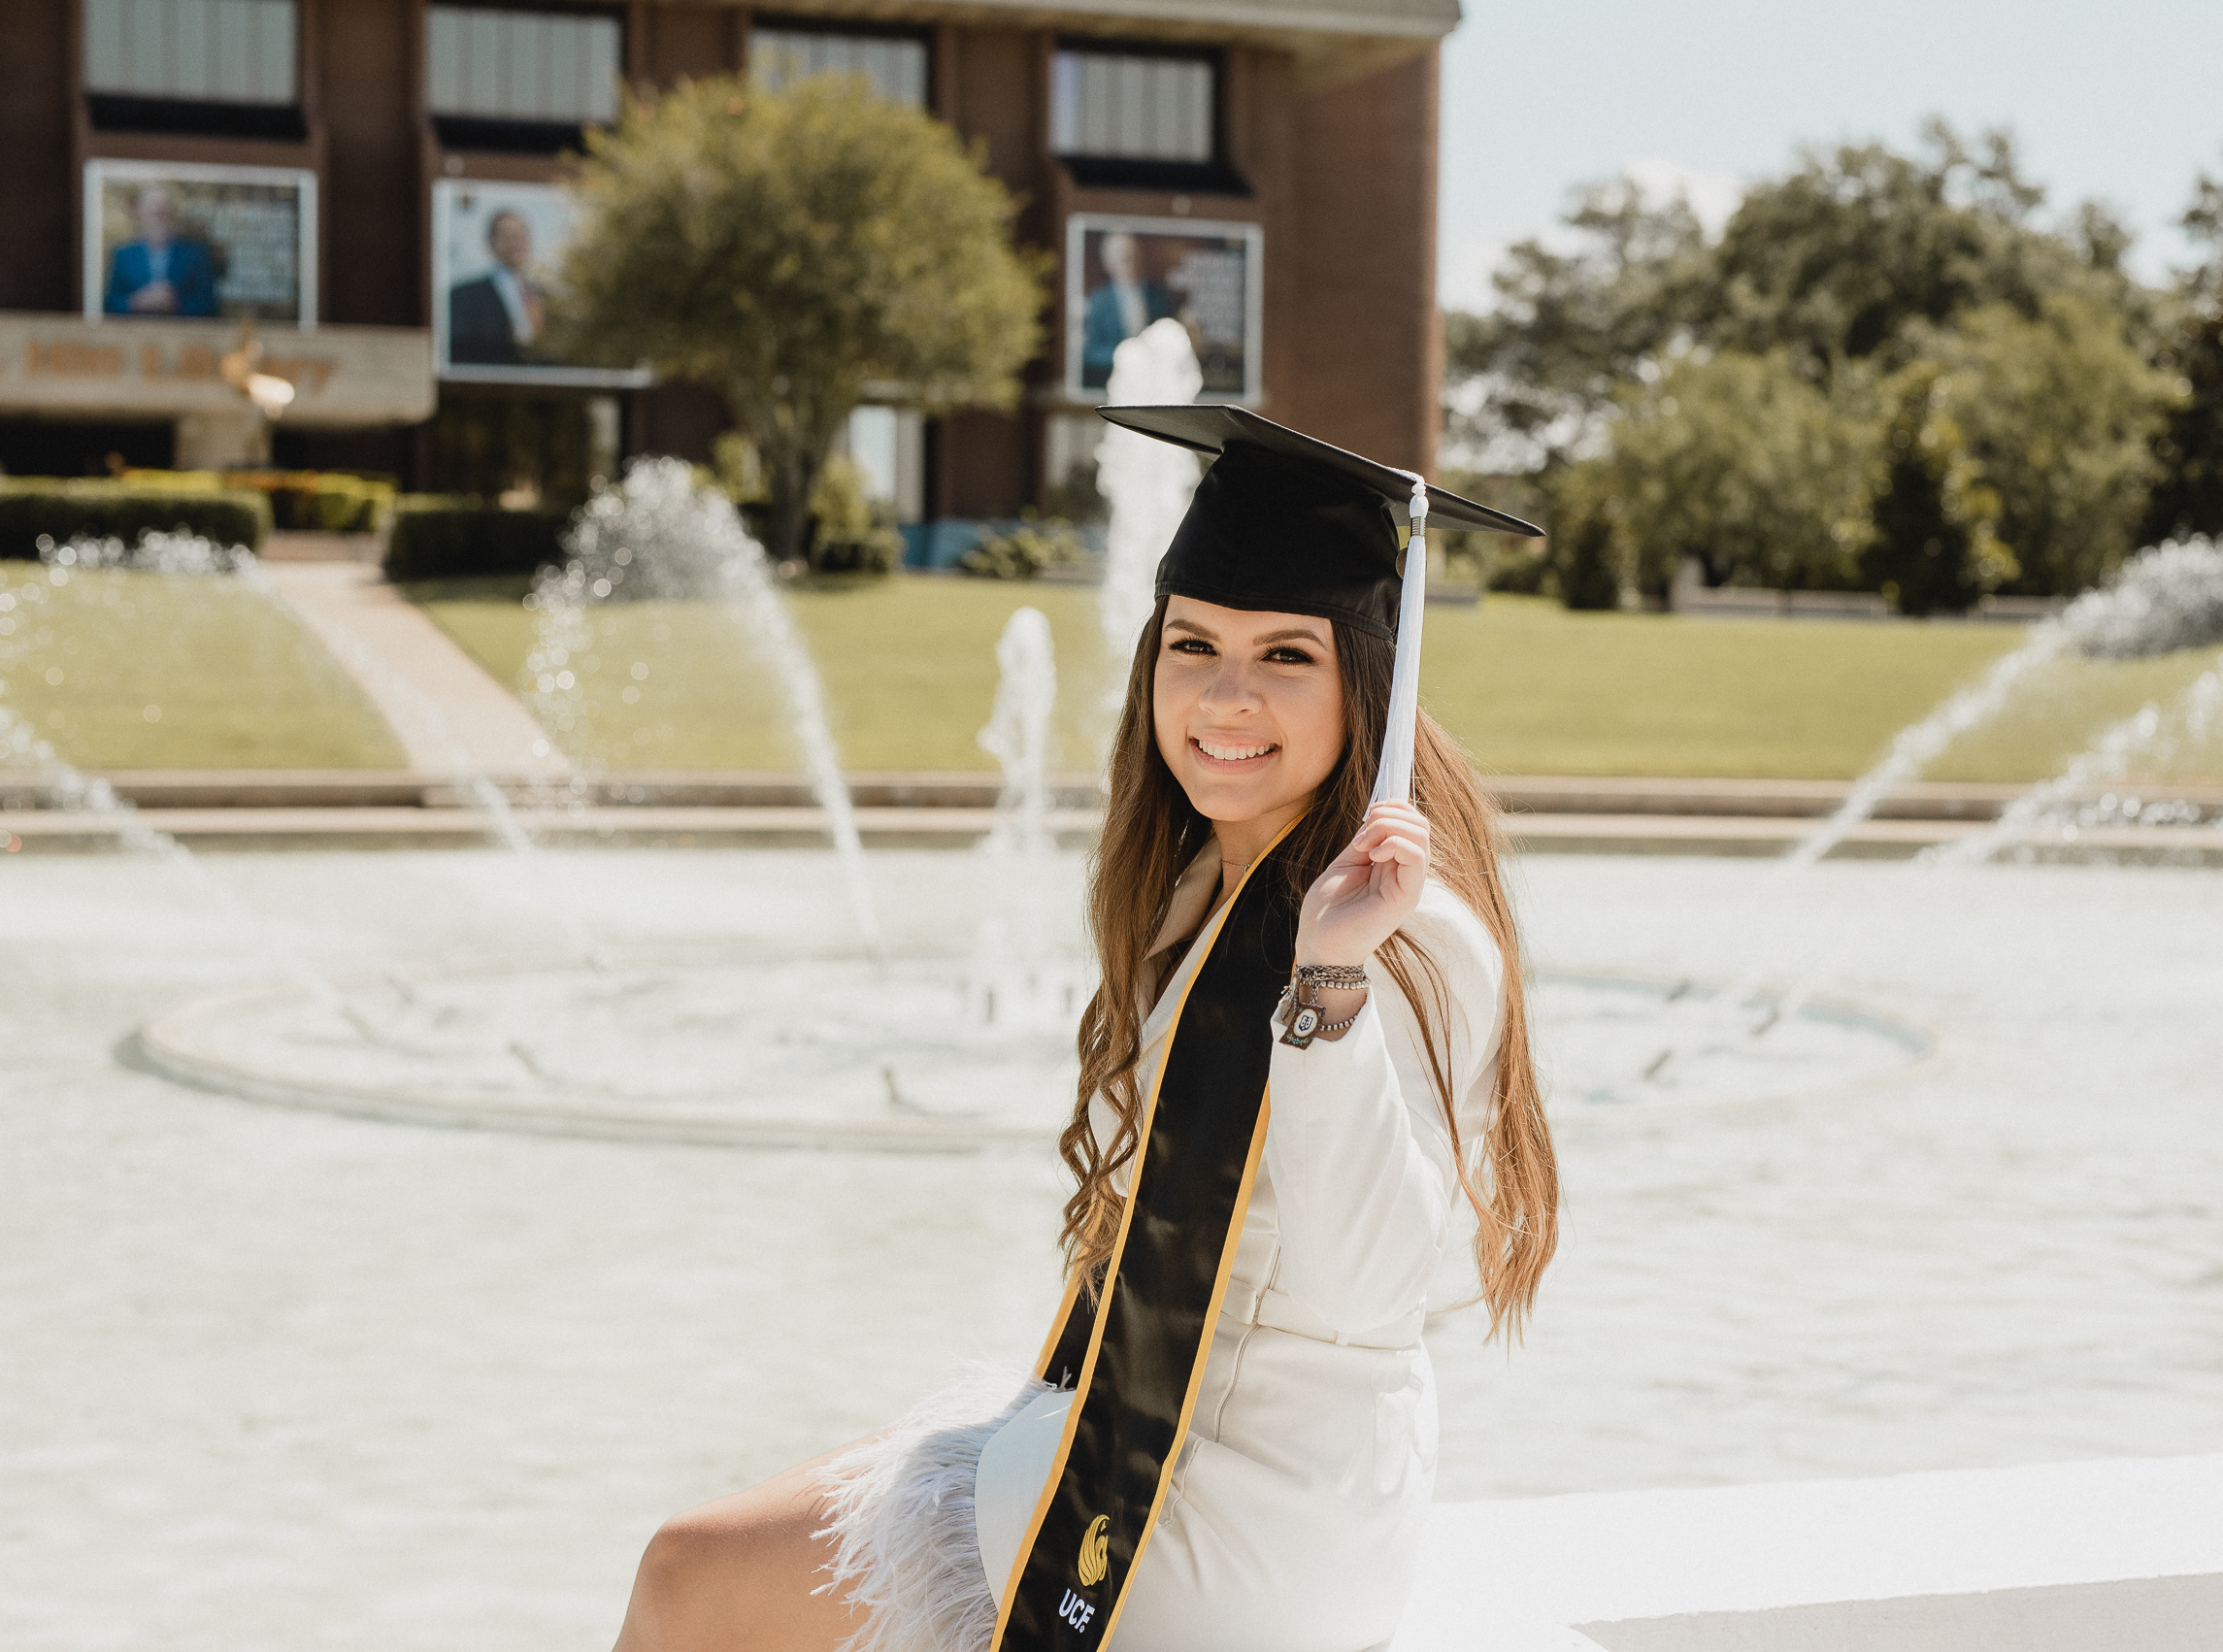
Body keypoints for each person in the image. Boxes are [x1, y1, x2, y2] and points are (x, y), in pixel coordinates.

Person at [610, 408, 1557, 1652]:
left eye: (1287, 657)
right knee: (735, 1551)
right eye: (1194, 644)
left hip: (1249, 1515)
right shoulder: (1208, 890)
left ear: (1366, 683)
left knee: (689, 1578)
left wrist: (1329, 977)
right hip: (1189, 1453)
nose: (1226, 695)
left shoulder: (1408, 935)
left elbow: (1362, 1282)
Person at [1079, 231, 1180, 392]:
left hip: (1155, 387)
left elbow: (1172, 341)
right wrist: (1127, 355)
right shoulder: (1099, 301)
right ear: (1109, 263)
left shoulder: (1159, 297)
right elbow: (1092, 351)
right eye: (1125, 259)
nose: (1132, 264)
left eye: (1136, 256)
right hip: (1112, 385)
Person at [447, 208, 545, 366]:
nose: (515, 241)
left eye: (520, 234)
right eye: (506, 235)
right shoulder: (464, 296)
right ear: (490, 243)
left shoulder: (545, 297)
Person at [102, 185, 218, 317]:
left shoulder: (194, 254)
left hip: (182, 334)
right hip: (134, 333)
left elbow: (208, 304)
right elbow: (110, 304)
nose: (161, 219)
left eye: (166, 213)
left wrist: (174, 304)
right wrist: (137, 301)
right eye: (155, 213)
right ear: (141, 215)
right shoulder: (124, 255)